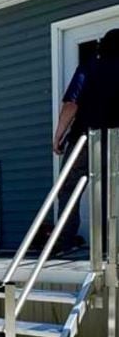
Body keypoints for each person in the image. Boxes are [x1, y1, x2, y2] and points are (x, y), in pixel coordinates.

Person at [53, 28, 119, 253]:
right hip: (114, 141)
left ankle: (65, 242)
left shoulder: (90, 66)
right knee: (108, 191)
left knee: (68, 188)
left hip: (85, 138)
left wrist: (59, 134)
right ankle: (108, 246)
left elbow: (72, 103)